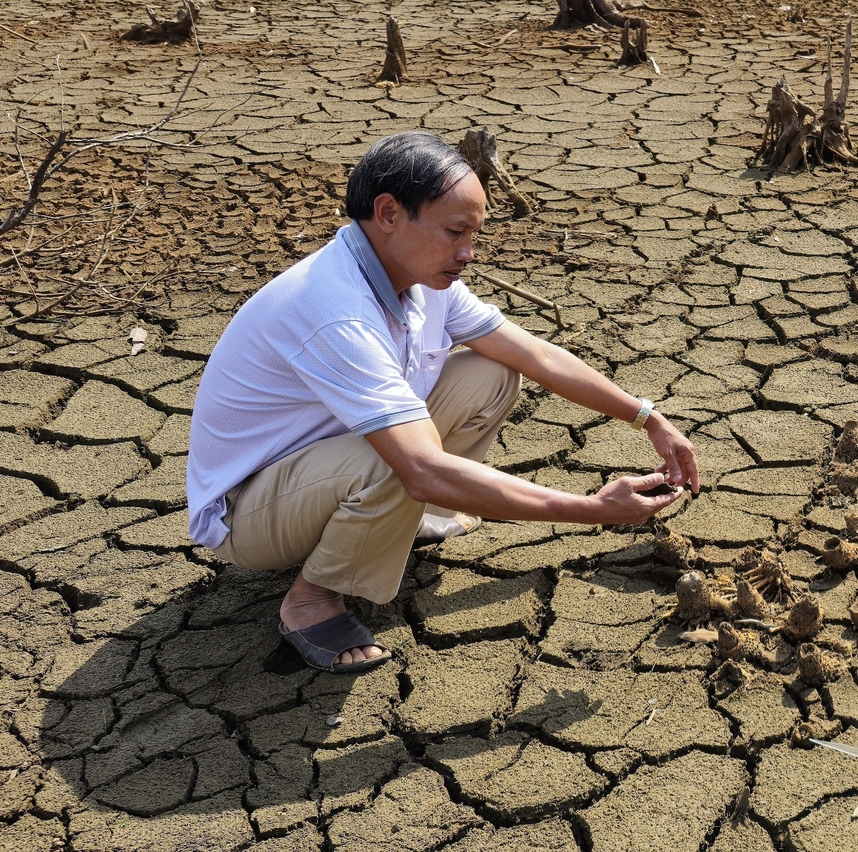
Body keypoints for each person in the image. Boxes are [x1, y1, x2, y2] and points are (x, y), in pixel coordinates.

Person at [186, 132, 699, 673]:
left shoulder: (419, 276)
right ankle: (311, 599)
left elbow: (534, 356)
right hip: (251, 516)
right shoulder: (336, 308)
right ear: (388, 213)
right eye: (455, 231)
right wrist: (593, 511)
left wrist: (648, 417)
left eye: (473, 233)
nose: (467, 253)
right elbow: (423, 468)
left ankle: (407, 522)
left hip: (317, 466)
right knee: (400, 462)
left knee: (491, 372)